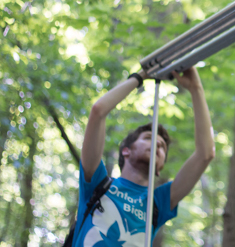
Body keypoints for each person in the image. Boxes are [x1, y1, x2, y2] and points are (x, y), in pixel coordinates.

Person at [71, 67, 215, 245]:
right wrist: (140, 77)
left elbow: (206, 154)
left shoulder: (158, 203)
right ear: (126, 150)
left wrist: (196, 88)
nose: (157, 145)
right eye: (149, 138)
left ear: (160, 166)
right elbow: (98, 111)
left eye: (162, 147)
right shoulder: (98, 183)